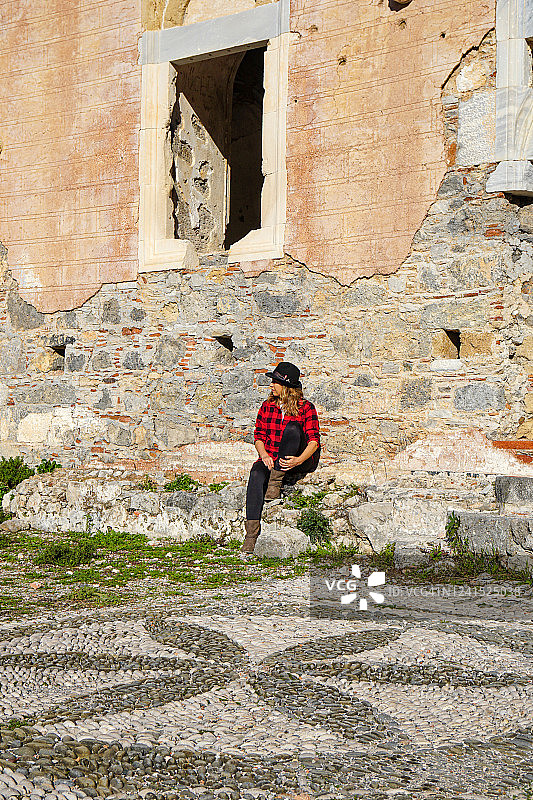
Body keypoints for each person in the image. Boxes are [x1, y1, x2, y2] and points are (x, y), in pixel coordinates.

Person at [241, 362, 320, 554]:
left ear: (286, 386)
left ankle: (275, 483)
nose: (271, 385)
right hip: (272, 457)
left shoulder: (306, 407)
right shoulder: (267, 406)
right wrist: (264, 455)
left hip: (297, 459)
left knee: (293, 429)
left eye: (275, 382)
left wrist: (298, 460)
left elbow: (314, 441)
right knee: (256, 473)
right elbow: (258, 436)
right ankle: (251, 535)